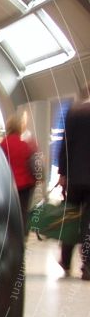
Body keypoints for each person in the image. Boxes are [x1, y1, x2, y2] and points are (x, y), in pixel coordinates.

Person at [58, 87, 90, 278]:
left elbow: (65, 146)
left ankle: (65, 259)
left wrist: (62, 173)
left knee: (70, 217)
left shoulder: (74, 113)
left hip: (75, 178)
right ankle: (87, 266)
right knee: (88, 222)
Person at [0, 113, 39, 238]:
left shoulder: (1, 146)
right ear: (19, 128)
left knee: (9, 212)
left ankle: (9, 235)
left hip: (8, 185)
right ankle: (22, 238)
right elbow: (34, 165)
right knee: (23, 212)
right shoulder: (25, 145)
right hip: (25, 185)